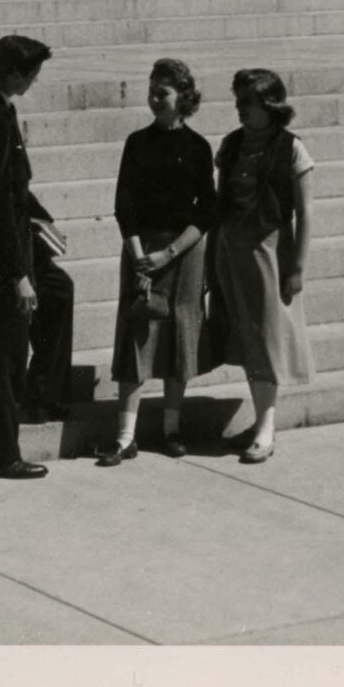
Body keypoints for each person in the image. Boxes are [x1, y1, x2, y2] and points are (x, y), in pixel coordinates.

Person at [0, 34, 76, 478]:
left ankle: (43, 395)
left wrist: (44, 222)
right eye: (32, 74)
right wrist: (18, 275)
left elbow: (15, 189)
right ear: (14, 73)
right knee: (2, 357)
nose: (36, 80)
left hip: (15, 240)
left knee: (59, 290)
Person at [97, 58, 216, 466]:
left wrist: (170, 252)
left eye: (161, 92)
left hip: (182, 253)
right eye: (150, 90)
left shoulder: (199, 147)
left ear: (182, 97)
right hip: (142, 250)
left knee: (180, 337)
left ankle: (171, 429)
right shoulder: (137, 142)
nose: (153, 98)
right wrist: (139, 258)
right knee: (136, 338)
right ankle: (124, 436)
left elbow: (206, 212)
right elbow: (123, 204)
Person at [211, 67, 314, 465]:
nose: (241, 110)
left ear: (270, 106)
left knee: (267, 340)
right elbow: (222, 200)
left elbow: (304, 214)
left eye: (248, 104)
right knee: (247, 338)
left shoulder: (291, 148)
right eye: (237, 102)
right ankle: (259, 421)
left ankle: (266, 426)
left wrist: (297, 267)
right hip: (231, 251)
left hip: (270, 252)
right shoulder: (231, 145)